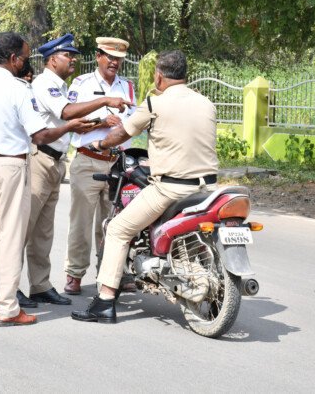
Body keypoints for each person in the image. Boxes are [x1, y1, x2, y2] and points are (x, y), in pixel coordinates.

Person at [70, 50, 219, 324]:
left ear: (159, 76)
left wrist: (100, 143)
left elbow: (122, 133)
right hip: (206, 190)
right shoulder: (206, 102)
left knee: (117, 229)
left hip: (170, 189)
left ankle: (105, 300)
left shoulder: (154, 103)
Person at [0, 32, 92, 327]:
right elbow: (40, 135)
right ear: (13, 58)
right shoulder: (19, 89)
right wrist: (69, 127)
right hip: (10, 165)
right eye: (24, 57)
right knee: (10, 236)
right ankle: (8, 308)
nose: (27, 63)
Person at [16, 34, 133, 309]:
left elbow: (78, 122)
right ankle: (11, 287)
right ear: (52, 59)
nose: (72, 59)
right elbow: (68, 113)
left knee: (44, 230)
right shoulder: (56, 84)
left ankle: (40, 285)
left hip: (64, 161)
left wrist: (103, 121)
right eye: (68, 55)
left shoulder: (66, 84)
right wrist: (105, 104)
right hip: (49, 158)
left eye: (119, 59)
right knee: (27, 227)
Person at [63, 36, 137, 296]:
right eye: (110, 57)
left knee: (113, 224)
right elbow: (69, 119)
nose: (114, 62)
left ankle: (110, 275)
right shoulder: (82, 84)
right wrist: (101, 122)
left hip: (117, 163)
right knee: (81, 223)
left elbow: (134, 123)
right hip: (88, 160)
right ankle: (74, 273)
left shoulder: (127, 87)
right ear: (98, 57)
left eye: (119, 59)